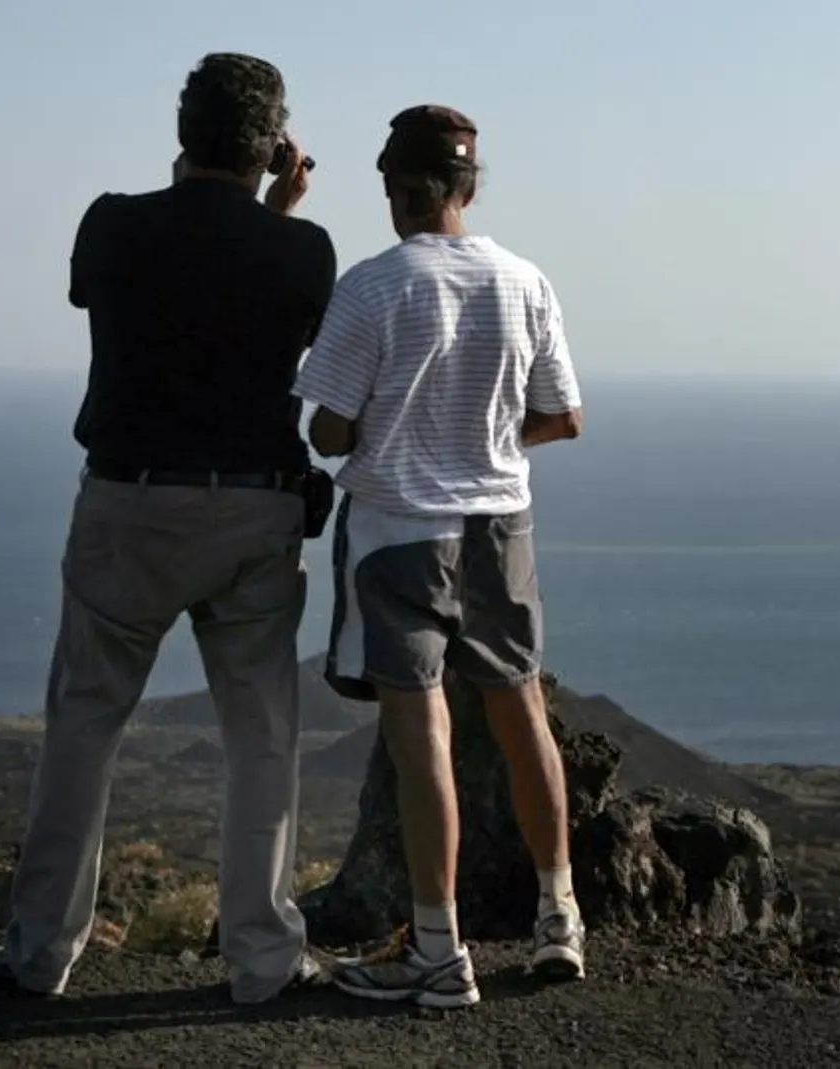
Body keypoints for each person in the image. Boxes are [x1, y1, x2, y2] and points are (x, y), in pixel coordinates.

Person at [3, 53, 332, 1003]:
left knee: (83, 729)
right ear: (272, 144)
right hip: (256, 510)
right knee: (261, 737)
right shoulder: (302, 250)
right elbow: (247, 286)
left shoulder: (113, 224)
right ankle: (263, 960)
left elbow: (167, 280)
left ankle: (38, 954)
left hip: (128, 507)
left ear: (182, 132)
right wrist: (281, 208)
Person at [292, 104, 586, 1009]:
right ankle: (559, 915)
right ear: (468, 186)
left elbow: (329, 427)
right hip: (501, 526)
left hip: (397, 535)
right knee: (520, 710)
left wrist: (395, 431)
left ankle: (437, 948)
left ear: (395, 188)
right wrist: (484, 439)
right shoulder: (524, 280)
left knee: (423, 737)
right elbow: (563, 416)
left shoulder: (372, 287)